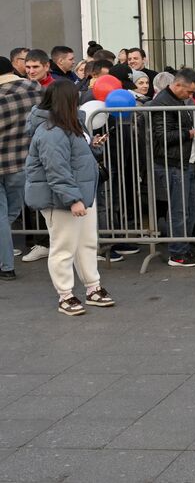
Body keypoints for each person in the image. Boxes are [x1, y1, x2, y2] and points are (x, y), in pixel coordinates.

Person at [23, 81, 112, 316]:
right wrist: (73, 199)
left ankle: (92, 288)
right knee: (64, 247)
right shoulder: (51, 131)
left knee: (86, 243)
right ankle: (65, 295)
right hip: (63, 198)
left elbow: (75, 158)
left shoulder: (69, 124)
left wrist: (93, 146)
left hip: (77, 194)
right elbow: (56, 169)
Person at [147, 69, 195, 268]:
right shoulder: (162, 103)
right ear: (178, 85)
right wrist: (192, 133)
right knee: (179, 211)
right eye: (189, 93)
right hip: (172, 164)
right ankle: (178, 253)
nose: (190, 97)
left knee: (190, 208)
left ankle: (183, 247)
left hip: (184, 162)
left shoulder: (177, 100)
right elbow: (163, 137)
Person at [0, 57, 44, 280]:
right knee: (8, 215)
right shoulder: (34, 88)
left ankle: (6, 266)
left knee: (2, 216)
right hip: (22, 161)